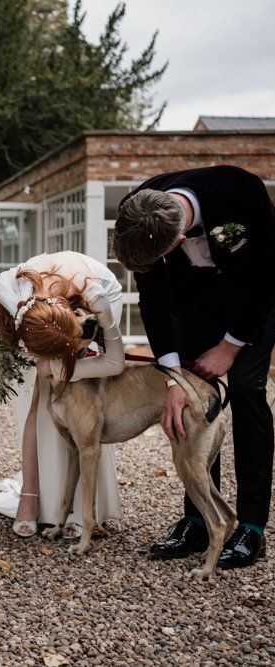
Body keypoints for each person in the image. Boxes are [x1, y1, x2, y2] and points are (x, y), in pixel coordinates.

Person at [114, 164, 275, 569]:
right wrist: (173, 378)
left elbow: (265, 276)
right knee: (190, 400)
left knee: (246, 388)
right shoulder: (137, 210)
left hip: (257, 297)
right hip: (197, 306)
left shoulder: (242, 192)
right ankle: (199, 520)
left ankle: (252, 526)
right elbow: (155, 302)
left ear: (180, 238)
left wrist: (229, 347)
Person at [0, 250, 125, 538]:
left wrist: (63, 370)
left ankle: (84, 506)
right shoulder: (13, 297)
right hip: (41, 314)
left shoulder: (100, 301)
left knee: (81, 405)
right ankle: (30, 495)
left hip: (91, 303)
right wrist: (41, 358)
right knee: (38, 400)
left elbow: (114, 363)